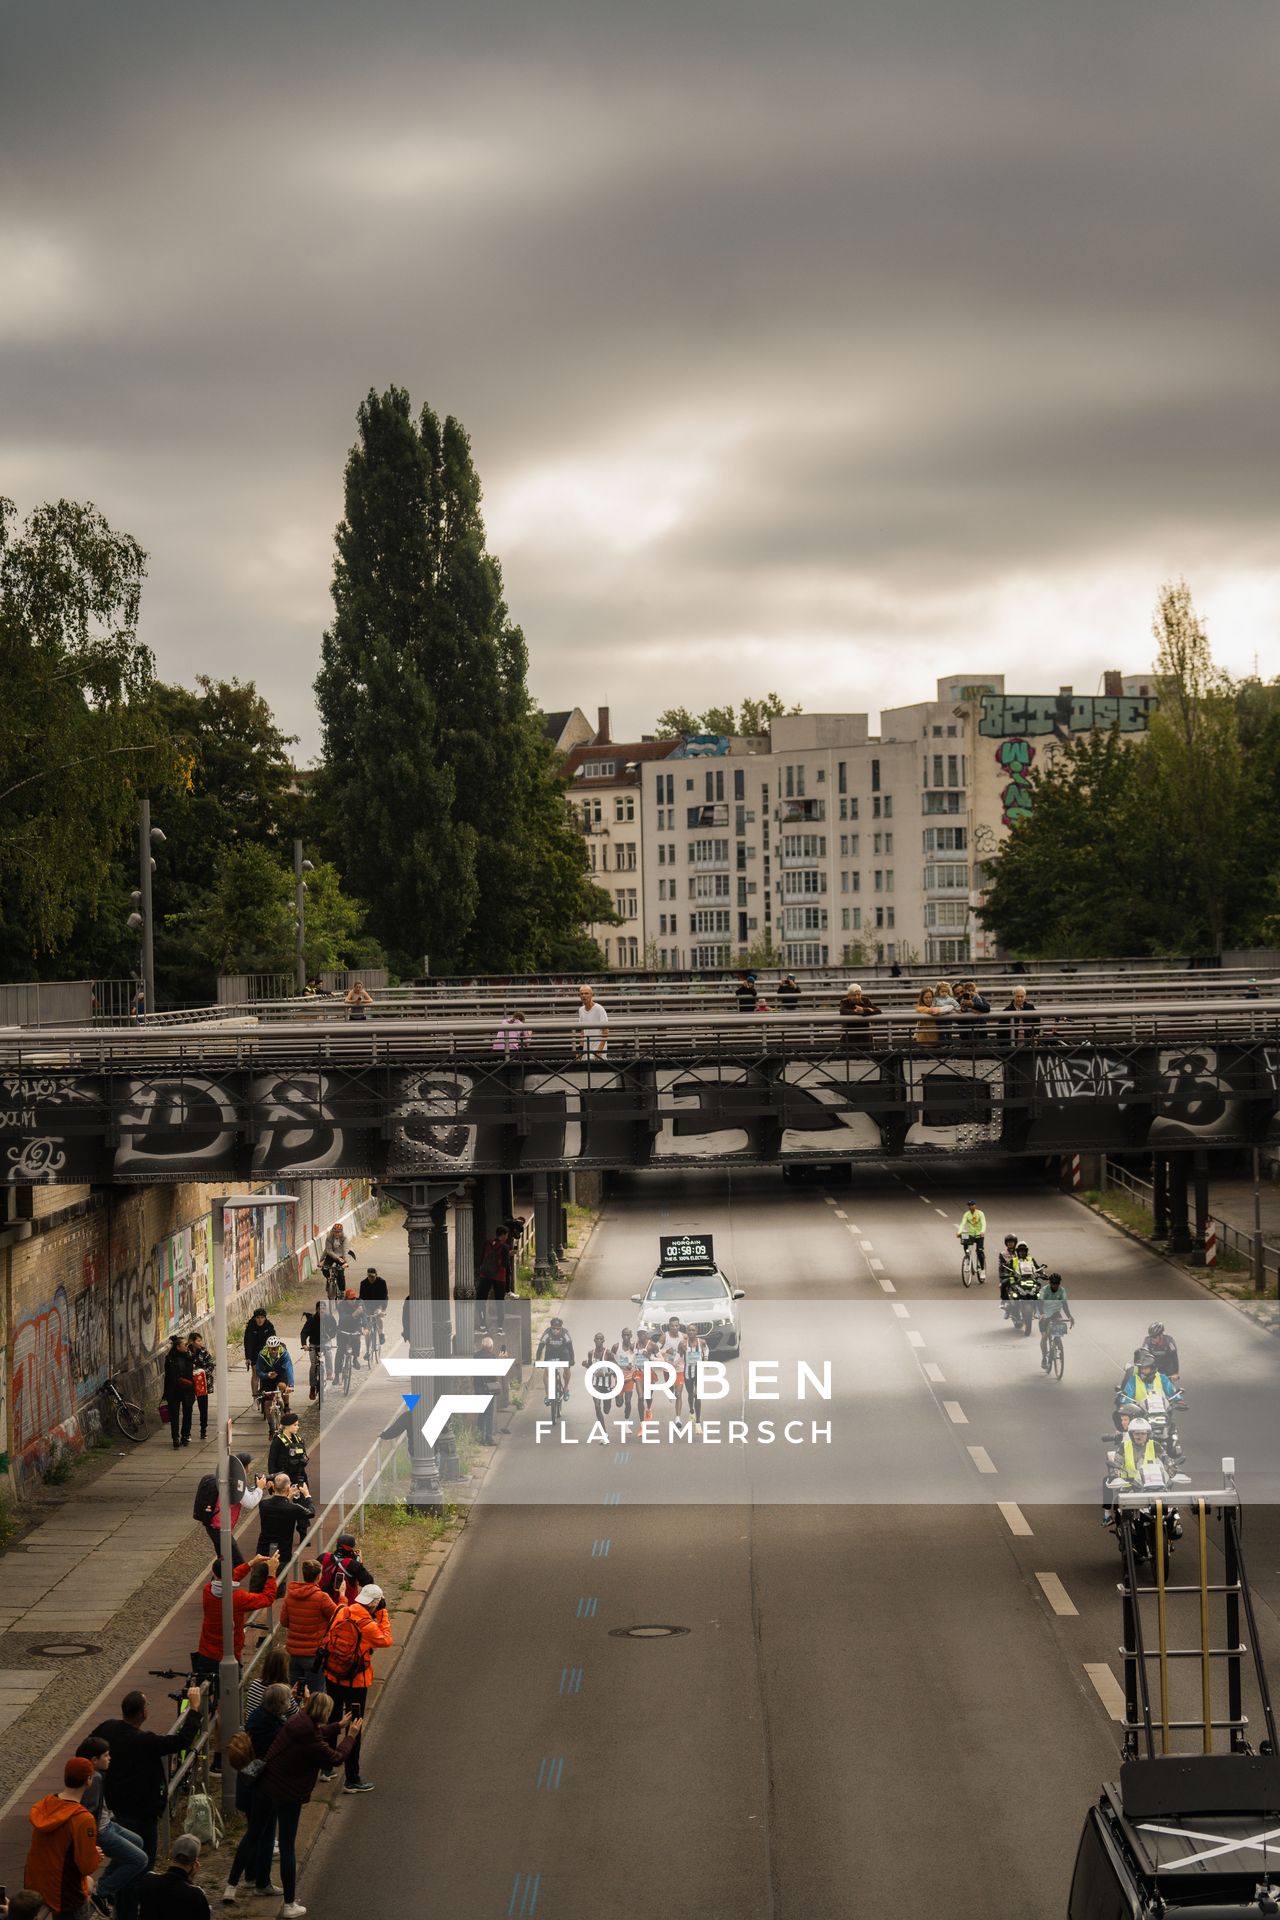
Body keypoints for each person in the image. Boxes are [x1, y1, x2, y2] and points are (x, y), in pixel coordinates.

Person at [256, 1693, 361, 1918]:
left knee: (263, 1835)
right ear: (322, 1712)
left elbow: (316, 1734)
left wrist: (338, 1726)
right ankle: (289, 1904)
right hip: (288, 1792)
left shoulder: (298, 1721)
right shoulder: (310, 1736)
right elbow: (334, 1758)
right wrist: (350, 1736)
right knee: (287, 1847)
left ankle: (259, 1881)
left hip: (268, 1784)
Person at [90, 1687, 203, 1868]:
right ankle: (127, 1891)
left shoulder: (107, 1728)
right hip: (143, 1810)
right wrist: (194, 1709)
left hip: (117, 1804)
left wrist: (100, 1773)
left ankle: (118, 1891)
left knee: (125, 1856)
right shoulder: (145, 1741)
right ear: (144, 1713)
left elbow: (86, 1747)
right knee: (143, 1859)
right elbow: (180, 1742)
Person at [221, 1683, 295, 1906]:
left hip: (246, 1782)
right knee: (262, 1834)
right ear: (281, 1704)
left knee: (253, 1832)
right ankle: (254, 1883)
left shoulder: (256, 1717)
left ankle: (247, 1878)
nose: (290, 1703)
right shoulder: (276, 1732)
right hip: (266, 1788)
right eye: (288, 1699)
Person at [321, 1585, 393, 1793]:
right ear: (374, 1603)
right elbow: (386, 1639)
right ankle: (352, 1778)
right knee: (354, 1727)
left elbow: (342, 1605)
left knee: (333, 1719)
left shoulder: (341, 1612)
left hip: (333, 1675)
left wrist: (343, 1595)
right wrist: (383, 1613)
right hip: (355, 1682)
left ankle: (326, 1768)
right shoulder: (367, 1625)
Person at [76, 1738, 149, 1920]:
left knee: (137, 1842)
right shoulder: (96, 1778)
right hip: (101, 1831)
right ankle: (101, 1891)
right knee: (140, 1860)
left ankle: (106, 1885)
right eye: (106, 1755)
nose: (110, 1758)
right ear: (94, 1760)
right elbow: (90, 1811)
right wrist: (91, 1839)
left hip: (109, 1823)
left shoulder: (97, 1775)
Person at [25, 1756, 104, 1920]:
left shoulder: (45, 1805)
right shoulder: (83, 1819)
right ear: (88, 1780)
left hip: (38, 1883)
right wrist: (95, 1854)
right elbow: (86, 1866)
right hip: (66, 1890)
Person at [196, 1554, 279, 1674]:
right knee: (233, 1688)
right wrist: (271, 1574)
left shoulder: (207, 1591)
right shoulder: (239, 1597)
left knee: (206, 1690)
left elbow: (228, 1579)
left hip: (206, 1652)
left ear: (213, 1573)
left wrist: (250, 1564)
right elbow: (267, 1598)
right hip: (230, 1653)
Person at [279, 1558, 338, 1689]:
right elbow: (337, 1617)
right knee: (315, 1695)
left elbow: (284, 1621)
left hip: (293, 1654)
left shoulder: (290, 1596)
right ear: (319, 1576)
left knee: (293, 1693)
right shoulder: (322, 1598)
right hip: (314, 1655)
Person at [138, 1834, 209, 1920]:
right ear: (195, 1862)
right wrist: (190, 1881)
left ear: (171, 1854)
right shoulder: (196, 1895)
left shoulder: (148, 1879)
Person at [255, 1474, 314, 1567]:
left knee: (259, 1579)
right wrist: (307, 1495)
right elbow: (311, 1512)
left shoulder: (263, 1504)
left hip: (262, 1552)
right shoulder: (293, 1508)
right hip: (282, 1554)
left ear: (274, 1487)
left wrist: (288, 1497)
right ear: (288, 1488)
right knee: (278, 1579)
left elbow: (279, 1504)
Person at [317, 1532, 375, 1606]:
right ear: (350, 1548)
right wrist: (359, 1565)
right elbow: (368, 1582)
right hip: (346, 1607)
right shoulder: (353, 1564)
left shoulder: (323, 1557)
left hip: (322, 1603)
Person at [162, 1335, 196, 1451]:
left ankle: (185, 1435)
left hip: (187, 1390)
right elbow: (170, 1376)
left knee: (188, 1413)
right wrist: (166, 1392)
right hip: (174, 1390)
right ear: (178, 1347)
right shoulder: (170, 1359)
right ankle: (175, 1437)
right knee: (174, 1415)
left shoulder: (189, 1356)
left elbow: (195, 1367)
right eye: (185, 1345)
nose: (187, 1347)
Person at [476, 1227, 512, 1332]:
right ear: (504, 1235)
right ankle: (500, 1326)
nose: (507, 1237)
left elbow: (482, 1258)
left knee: (481, 1300)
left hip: (485, 1275)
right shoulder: (505, 1247)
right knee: (499, 1302)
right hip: (499, 1277)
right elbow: (506, 1266)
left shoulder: (487, 1243)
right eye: (506, 1235)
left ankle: (482, 1324)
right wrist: (508, 1288)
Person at [300, 1300, 337, 1400]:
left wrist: (331, 1335)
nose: (322, 1310)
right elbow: (304, 1332)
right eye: (320, 1309)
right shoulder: (311, 1320)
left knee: (329, 1353)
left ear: (326, 1309)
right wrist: (304, 1344)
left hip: (326, 1342)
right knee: (313, 1365)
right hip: (314, 1343)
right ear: (316, 1310)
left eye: (323, 1308)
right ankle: (312, 1387)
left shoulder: (329, 1318)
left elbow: (335, 1329)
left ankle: (329, 1373)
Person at [1037, 1272, 1074, 1369]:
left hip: (1055, 1313)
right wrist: (1041, 1314)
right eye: (1053, 1283)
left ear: (1059, 1283)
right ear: (1049, 1282)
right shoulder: (1044, 1290)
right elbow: (1039, 1303)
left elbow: (1064, 1304)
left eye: (1057, 1283)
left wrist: (1069, 1316)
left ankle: (1057, 1341)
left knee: (1059, 1325)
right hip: (1044, 1314)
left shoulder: (1062, 1291)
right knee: (1044, 1337)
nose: (1055, 1285)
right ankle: (1044, 1357)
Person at [535, 1315, 575, 1405]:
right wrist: (537, 1359)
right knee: (547, 1372)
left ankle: (566, 1388)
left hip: (563, 1353)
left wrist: (572, 1360)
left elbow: (570, 1348)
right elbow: (540, 1347)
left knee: (567, 1369)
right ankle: (547, 1395)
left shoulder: (565, 1333)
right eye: (553, 1328)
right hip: (550, 1353)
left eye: (558, 1329)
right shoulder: (547, 1333)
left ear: (561, 1328)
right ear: (551, 1327)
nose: (555, 1330)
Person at [254, 1335, 294, 1417]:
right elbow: (258, 1370)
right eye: (271, 1348)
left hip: (280, 1372)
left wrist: (290, 1385)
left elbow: (289, 1367)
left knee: (282, 1386)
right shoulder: (262, 1355)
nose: (273, 1351)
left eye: (275, 1348)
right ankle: (271, 1426)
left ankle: (286, 1407)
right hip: (268, 1375)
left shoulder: (284, 1353)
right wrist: (266, 1375)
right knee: (267, 1402)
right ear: (267, 1348)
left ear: (278, 1347)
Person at [583, 1333, 616, 1428]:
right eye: (597, 1339)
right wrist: (586, 1365)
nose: (598, 1341)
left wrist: (605, 1373)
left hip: (607, 1384)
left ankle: (608, 1403)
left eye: (600, 1339)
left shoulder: (608, 1353)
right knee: (597, 1407)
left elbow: (615, 1369)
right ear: (594, 1340)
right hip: (595, 1384)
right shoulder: (591, 1353)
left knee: (606, 1410)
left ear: (603, 1341)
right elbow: (590, 1367)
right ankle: (604, 1432)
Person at [268, 1410, 308, 1484]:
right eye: (295, 1425)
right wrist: (273, 1480)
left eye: (297, 1425)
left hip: (298, 1477)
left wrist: (305, 1481)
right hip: (284, 1479)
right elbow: (272, 1461)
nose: (297, 1427)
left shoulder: (299, 1440)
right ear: (287, 1426)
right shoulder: (277, 1441)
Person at [187, 1334, 215, 1440]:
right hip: (190, 1384)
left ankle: (203, 1430)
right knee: (188, 1408)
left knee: (203, 1409)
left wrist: (201, 1373)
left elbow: (210, 1365)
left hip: (202, 1384)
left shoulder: (205, 1353)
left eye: (201, 1340)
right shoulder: (187, 1352)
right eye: (198, 1340)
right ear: (192, 1342)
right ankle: (187, 1432)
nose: (200, 1342)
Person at [333, 1291, 365, 1382]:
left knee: (357, 1341)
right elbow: (343, 1318)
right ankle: (336, 1375)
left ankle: (355, 1359)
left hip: (354, 1329)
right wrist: (354, 1314)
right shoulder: (341, 1306)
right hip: (343, 1330)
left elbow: (364, 1316)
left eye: (354, 1298)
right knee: (340, 1352)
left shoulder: (360, 1303)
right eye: (350, 1299)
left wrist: (365, 1328)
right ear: (346, 1299)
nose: (353, 1300)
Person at [575, 983, 609, 1058]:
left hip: (597, 1050)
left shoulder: (599, 1009)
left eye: (586, 993)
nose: (584, 995)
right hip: (586, 1049)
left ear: (591, 995)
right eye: (581, 994)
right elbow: (582, 1032)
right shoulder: (581, 1010)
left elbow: (605, 1032)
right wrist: (580, 1049)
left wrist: (599, 1051)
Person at [684, 1327, 708, 1431]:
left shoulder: (702, 1342)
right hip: (687, 1372)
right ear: (687, 1332)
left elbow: (706, 1349)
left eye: (693, 1330)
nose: (691, 1332)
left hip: (698, 1370)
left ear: (696, 1332)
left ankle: (698, 1421)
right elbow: (678, 1356)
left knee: (697, 1395)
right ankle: (691, 1410)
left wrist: (706, 1358)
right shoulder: (683, 1344)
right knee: (691, 1394)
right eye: (689, 1330)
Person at [957, 1202, 987, 1279]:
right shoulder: (967, 1214)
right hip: (970, 1234)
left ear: (975, 1206)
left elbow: (983, 1223)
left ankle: (982, 1270)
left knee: (980, 1252)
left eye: (972, 1205)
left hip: (979, 1234)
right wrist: (959, 1232)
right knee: (964, 1243)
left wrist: (982, 1231)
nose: (970, 1207)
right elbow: (962, 1223)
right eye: (969, 1205)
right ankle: (967, 1260)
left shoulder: (980, 1213)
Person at [243, 1307, 275, 1375]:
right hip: (255, 1351)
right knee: (255, 1374)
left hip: (266, 1351)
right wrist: (248, 1357)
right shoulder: (250, 1327)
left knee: (267, 1374)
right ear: (255, 1318)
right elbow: (248, 1343)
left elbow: (273, 1340)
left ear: (265, 1318)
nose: (260, 1320)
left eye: (262, 1317)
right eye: (258, 1317)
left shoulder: (269, 1326)